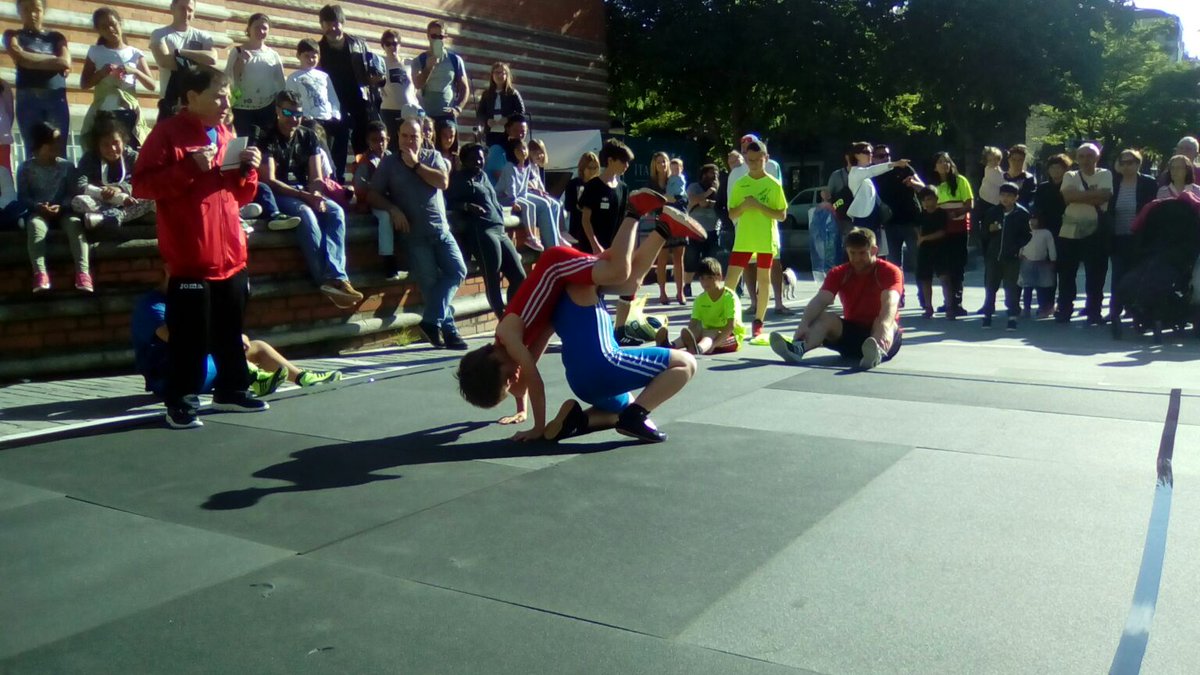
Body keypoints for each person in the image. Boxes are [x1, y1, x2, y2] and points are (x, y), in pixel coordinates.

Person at [454, 181, 705, 441]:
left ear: (493, 359)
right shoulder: (522, 340)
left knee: (620, 270)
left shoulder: (508, 334)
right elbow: (525, 379)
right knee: (627, 279)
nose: (513, 378)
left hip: (555, 267)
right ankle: (663, 228)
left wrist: (537, 428)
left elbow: (534, 380)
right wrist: (521, 408)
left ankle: (634, 211)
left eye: (507, 377)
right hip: (564, 290)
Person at [131, 65, 267, 429]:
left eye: (228, 96)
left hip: (231, 255)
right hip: (191, 258)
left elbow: (239, 194)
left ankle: (232, 390)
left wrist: (248, 171)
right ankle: (181, 402)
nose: (226, 103)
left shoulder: (225, 133)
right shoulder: (167, 134)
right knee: (190, 337)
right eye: (218, 95)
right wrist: (188, 167)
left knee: (229, 330)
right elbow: (141, 186)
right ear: (191, 97)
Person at [133, 280, 343, 400]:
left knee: (258, 346)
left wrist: (233, 335)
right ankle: (256, 377)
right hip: (169, 376)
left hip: (203, 366)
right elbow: (177, 339)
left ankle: (302, 377)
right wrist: (225, 339)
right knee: (217, 352)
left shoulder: (196, 299)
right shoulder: (152, 305)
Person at [255, 90, 363, 308]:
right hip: (280, 193)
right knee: (306, 215)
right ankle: (324, 279)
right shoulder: (265, 135)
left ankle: (338, 276)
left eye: (298, 113)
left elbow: (316, 176)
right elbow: (271, 180)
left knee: (334, 211)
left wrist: (315, 194)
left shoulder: (309, 135)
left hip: (305, 190)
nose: (294, 119)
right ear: (277, 111)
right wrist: (306, 197)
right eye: (288, 112)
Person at [368, 117, 469, 349]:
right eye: (404, 136)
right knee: (431, 286)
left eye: (414, 136)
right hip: (415, 236)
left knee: (458, 270)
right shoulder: (389, 163)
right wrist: (392, 209)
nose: (409, 141)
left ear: (423, 137)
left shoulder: (433, 157)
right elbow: (373, 194)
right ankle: (449, 332)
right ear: (397, 137)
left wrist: (415, 164)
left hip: (441, 231)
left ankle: (431, 322)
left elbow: (443, 182)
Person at [770, 227, 903, 370]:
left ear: (874, 250)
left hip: (883, 336)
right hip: (852, 334)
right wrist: (804, 324)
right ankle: (797, 349)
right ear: (847, 251)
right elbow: (820, 300)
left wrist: (883, 327)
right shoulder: (839, 273)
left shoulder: (889, 271)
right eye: (852, 253)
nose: (857, 259)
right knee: (827, 318)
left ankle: (876, 352)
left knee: (883, 322)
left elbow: (890, 301)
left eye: (862, 253)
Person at [447, 142, 527, 318]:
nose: (478, 161)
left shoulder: (483, 176)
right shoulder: (460, 179)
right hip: (482, 230)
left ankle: (513, 314)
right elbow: (449, 201)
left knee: (519, 276)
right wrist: (467, 206)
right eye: (473, 158)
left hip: (499, 228)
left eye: (481, 158)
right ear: (464, 160)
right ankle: (501, 318)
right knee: (493, 277)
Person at [726, 139, 788, 338]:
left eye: (757, 160)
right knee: (731, 280)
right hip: (744, 239)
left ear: (765, 159)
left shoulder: (773, 184)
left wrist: (759, 206)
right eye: (749, 160)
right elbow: (731, 213)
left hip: (764, 239)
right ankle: (727, 319)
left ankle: (758, 321)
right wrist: (744, 206)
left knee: (764, 279)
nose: (753, 163)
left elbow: (782, 214)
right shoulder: (740, 183)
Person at [17, 122, 89, 292]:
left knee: (74, 225)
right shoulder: (26, 168)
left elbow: (73, 193)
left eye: (59, 140)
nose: (58, 145)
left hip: (64, 211)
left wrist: (61, 206)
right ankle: (40, 274)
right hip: (38, 212)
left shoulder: (67, 166)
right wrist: (38, 206)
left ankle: (83, 273)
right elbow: (23, 196)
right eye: (53, 142)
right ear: (39, 144)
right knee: (35, 226)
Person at [318, 4, 383, 182]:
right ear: (321, 25)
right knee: (337, 146)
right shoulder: (318, 49)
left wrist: (375, 79)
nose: (333, 28)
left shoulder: (359, 44)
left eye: (336, 23)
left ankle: (364, 184)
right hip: (333, 105)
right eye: (328, 23)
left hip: (360, 102)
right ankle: (336, 184)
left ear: (343, 23)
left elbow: (372, 70)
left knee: (362, 146)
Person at [80, 8, 155, 149]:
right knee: (107, 150)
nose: (110, 29)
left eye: (113, 24)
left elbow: (152, 85)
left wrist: (134, 71)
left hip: (128, 111)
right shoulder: (95, 51)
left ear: (120, 23)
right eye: (104, 27)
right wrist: (101, 73)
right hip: (104, 112)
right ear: (98, 30)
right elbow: (84, 84)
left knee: (130, 150)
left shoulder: (135, 53)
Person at [4, 0, 71, 157]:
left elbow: (65, 61)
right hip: (29, 98)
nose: (32, 14)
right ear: (19, 11)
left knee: (59, 149)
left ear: (43, 11)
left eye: (37, 10)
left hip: (56, 97)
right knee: (33, 150)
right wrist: (54, 62)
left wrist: (30, 60)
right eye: (26, 9)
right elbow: (19, 57)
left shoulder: (56, 37)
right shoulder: (13, 35)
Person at [1057, 143, 1112, 325]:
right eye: (1082, 156)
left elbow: (1105, 196)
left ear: (1097, 157)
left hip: (1096, 231)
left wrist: (1079, 195)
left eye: (1090, 155)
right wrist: (1092, 195)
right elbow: (1068, 197)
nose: (1086, 159)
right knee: (1066, 274)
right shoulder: (1069, 175)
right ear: (1076, 158)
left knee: (1095, 274)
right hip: (1069, 232)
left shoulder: (1105, 174)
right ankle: (1064, 310)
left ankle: (1094, 312)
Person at [71, 113, 155, 230]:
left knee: (152, 200)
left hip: (128, 202)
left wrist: (120, 189)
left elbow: (141, 182)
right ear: (97, 146)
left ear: (123, 141)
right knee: (78, 201)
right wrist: (102, 192)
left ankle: (107, 218)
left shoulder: (133, 157)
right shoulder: (89, 158)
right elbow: (80, 184)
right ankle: (111, 216)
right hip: (100, 202)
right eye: (105, 145)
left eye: (116, 143)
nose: (112, 149)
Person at [655, 256, 743, 355]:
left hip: (730, 337)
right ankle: (670, 346)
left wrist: (714, 345)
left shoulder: (729, 297)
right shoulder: (700, 299)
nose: (705, 282)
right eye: (702, 278)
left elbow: (731, 326)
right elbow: (692, 325)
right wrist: (690, 337)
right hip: (708, 336)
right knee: (698, 330)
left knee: (710, 332)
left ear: (719, 276)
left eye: (709, 278)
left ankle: (699, 349)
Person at [1109, 149, 1158, 321]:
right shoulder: (1114, 183)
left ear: (1138, 164)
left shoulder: (1149, 183)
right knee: (1118, 274)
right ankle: (1115, 310)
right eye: (1123, 162)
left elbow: (1153, 210)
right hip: (1118, 236)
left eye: (1130, 162)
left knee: (1136, 274)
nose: (1126, 166)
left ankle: (1134, 309)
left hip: (1139, 237)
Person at [148, 0, 216, 120]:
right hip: (171, 101)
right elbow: (165, 61)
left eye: (190, 10)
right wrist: (199, 60)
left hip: (198, 100)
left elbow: (212, 58)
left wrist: (179, 52)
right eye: (182, 8)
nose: (186, 13)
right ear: (172, 8)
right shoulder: (160, 34)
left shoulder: (203, 36)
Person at [979, 183, 1031, 330]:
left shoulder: (1022, 213)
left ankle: (1012, 317)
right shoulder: (992, 212)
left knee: (1011, 288)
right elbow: (983, 234)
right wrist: (990, 230)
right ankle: (987, 315)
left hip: (1011, 258)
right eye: (1003, 195)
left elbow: (1027, 235)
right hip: (993, 256)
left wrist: (1017, 248)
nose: (1005, 199)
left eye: (1009, 196)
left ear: (1016, 197)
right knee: (990, 287)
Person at [351, 121, 400, 278]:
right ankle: (388, 258)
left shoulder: (393, 158)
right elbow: (360, 187)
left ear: (388, 139)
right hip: (372, 201)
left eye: (383, 139)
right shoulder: (364, 162)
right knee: (385, 218)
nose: (380, 144)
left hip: (392, 199)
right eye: (375, 140)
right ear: (368, 141)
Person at [225, 14, 286, 139]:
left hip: (267, 108)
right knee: (245, 144)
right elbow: (228, 79)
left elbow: (281, 85)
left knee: (265, 144)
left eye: (264, 28)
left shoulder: (273, 55)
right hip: (242, 108)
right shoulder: (237, 52)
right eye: (257, 27)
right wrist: (239, 66)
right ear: (249, 29)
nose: (261, 31)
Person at [931, 152, 973, 318]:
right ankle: (948, 302)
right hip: (941, 231)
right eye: (940, 162)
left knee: (957, 267)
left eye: (947, 161)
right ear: (935, 166)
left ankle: (957, 303)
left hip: (958, 230)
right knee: (943, 268)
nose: (944, 165)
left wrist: (955, 213)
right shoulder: (935, 185)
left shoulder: (960, 180)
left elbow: (969, 203)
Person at [873, 143, 922, 273]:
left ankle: (923, 293)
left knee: (918, 261)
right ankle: (898, 293)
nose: (886, 158)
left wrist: (913, 183)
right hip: (890, 224)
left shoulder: (903, 168)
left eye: (888, 155)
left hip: (911, 221)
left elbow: (923, 188)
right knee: (893, 265)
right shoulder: (872, 176)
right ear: (873, 159)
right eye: (881, 156)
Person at [413, 20, 470, 123]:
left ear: (445, 37)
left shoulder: (455, 60)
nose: (437, 40)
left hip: (447, 116)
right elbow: (417, 84)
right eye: (434, 36)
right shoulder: (419, 60)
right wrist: (429, 67)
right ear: (428, 36)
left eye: (440, 37)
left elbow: (464, 88)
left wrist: (458, 109)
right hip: (426, 117)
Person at [648, 151, 686, 305]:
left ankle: (680, 292)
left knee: (678, 257)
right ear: (654, 165)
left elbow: (684, 199)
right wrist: (662, 201)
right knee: (662, 258)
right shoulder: (652, 182)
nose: (662, 165)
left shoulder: (676, 179)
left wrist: (673, 199)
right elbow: (651, 202)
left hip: (678, 219)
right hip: (662, 221)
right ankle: (662, 293)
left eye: (664, 161)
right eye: (659, 162)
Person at [286, 39, 341, 145]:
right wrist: (302, 117)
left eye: (314, 56)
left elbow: (332, 97)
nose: (311, 59)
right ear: (298, 55)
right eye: (307, 56)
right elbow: (292, 102)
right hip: (308, 122)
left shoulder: (324, 76)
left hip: (327, 120)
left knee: (326, 152)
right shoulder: (294, 78)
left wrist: (335, 115)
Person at [377, 30, 421, 154]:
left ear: (400, 44)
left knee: (411, 144)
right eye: (388, 44)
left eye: (395, 43)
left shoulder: (410, 63)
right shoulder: (381, 63)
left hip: (409, 110)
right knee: (392, 146)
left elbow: (418, 86)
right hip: (389, 110)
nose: (392, 47)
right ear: (383, 46)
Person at [683, 164, 723, 293]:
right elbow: (693, 200)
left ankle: (709, 287)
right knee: (691, 259)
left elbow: (720, 204)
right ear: (704, 174)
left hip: (713, 229)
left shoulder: (720, 189)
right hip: (694, 229)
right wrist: (709, 192)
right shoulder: (694, 187)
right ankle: (687, 285)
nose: (715, 176)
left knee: (710, 260)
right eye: (712, 173)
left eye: (717, 173)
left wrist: (709, 202)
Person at [914, 187, 948, 320]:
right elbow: (916, 226)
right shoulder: (921, 215)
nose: (927, 202)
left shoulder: (942, 214)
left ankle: (949, 307)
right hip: (925, 251)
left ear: (936, 199)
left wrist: (924, 238)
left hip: (941, 249)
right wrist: (919, 237)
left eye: (930, 199)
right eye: (924, 200)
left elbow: (942, 232)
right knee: (925, 280)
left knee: (945, 278)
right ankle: (928, 307)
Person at [476, 61, 525, 148]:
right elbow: (480, 113)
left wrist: (508, 119)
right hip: (491, 132)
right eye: (497, 72)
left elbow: (521, 112)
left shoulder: (513, 93)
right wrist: (487, 120)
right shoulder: (486, 94)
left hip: (508, 132)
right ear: (492, 75)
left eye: (503, 73)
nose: (500, 75)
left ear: (507, 75)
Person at [1019, 213, 1057, 319]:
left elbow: (1051, 247)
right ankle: (1026, 308)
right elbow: (1021, 245)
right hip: (1027, 262)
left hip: (1042, 263)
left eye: (1035, 219)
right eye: (1030, 219)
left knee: (1041, 288)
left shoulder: (1046, 233)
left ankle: (1042, 308)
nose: (1032, 221)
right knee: (1027, 287)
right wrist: (1019, 254)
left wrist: (1053, 260)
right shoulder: (1026, 232)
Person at [564, 151, 600, 251]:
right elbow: (568, 205)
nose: (592, 171)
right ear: (582, 168)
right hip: (577, 228)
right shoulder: (573, 183)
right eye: (589, 168)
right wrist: (579, 205)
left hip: (596, 227)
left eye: (595, 168)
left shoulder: (600, 185)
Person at [484, 113, 529, 180]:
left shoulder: (524, 150)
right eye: (516, 131)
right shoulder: (497, 149)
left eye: (523, 132)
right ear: (508, 130)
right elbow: (500, 178)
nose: (519, 135)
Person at [1002, 144, 1037, 209]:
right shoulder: (1001, 176)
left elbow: (1031, 200)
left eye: (1020, 160)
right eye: (1013, 159)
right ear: (1009, 160)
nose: (1016, 163)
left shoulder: (1029, 178)